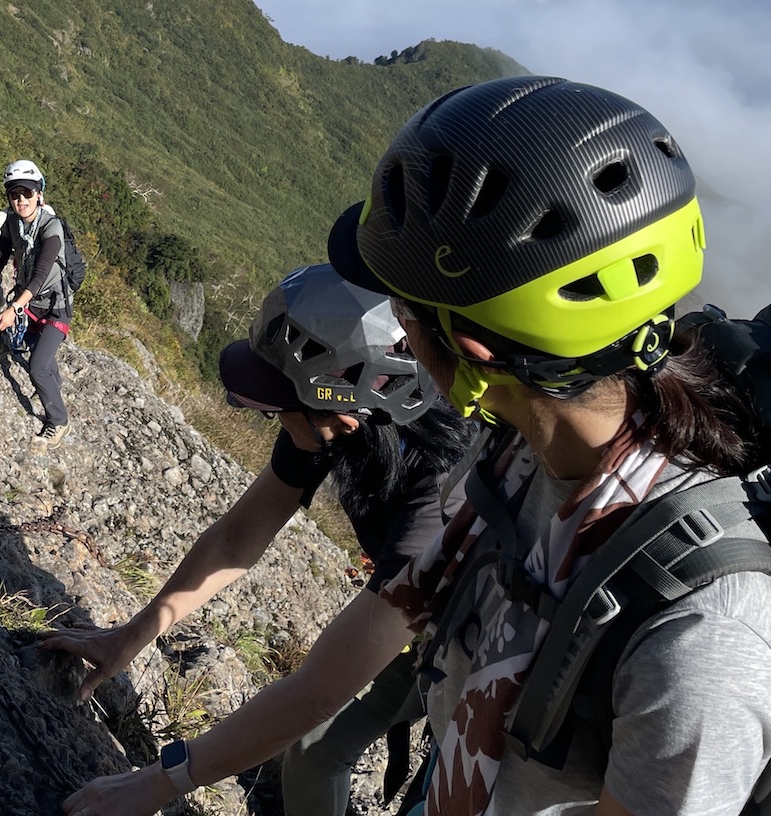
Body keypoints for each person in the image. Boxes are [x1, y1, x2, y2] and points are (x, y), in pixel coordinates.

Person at [62, 76, 771, 816]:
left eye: (403, 310)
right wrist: (157, 783)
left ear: (469, 347)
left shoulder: (701, 637)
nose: (396, 333)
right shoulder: (512, 466)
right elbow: (320, 684)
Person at [46, 263, 470, 816]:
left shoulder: (443, 493)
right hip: (423, 620)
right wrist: (129, 639)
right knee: (313, 754)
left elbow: (318, 692)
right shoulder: (342, 416)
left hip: (485, 659)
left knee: (358, 763)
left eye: (276, 406)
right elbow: (238, 537)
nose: (269, 416)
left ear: (343, 417)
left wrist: (158, 783)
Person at [0, 159, 73, 447]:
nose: (21, 200)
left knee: (38, 367)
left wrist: (13, 308)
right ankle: (54, 388)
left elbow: (40, 275)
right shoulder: (13, 225)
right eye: (15, 195)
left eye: (27, 193)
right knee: (37, 352)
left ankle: (59, 421)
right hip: (31, 304)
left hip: (56, 306)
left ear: (39, 194)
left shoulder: (51, 229)